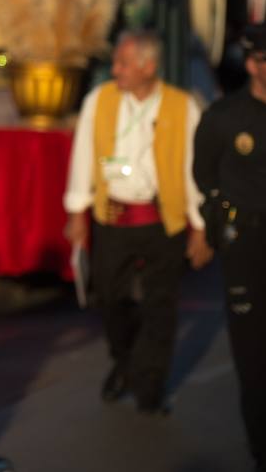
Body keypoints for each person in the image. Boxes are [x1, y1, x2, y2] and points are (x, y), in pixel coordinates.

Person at [64, 30, 210, 414]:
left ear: (149, 66)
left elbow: (193, 169)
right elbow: (83, 157)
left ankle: (151, 388)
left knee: (161, 306)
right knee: (110, 299)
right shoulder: (101, 100)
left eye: (124, 64)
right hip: (112, 218)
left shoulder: (183, 107)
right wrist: (76, 213)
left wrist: (200, 226)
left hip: (162, 221)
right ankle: (125, 362)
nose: (116, 70)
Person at [194, 23, 266, 469]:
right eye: (263, 61)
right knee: (254, 352)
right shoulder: (225, 117)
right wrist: (218, 220)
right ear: (252, 63)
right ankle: (262, 448)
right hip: (248, 241)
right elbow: (205, 174)